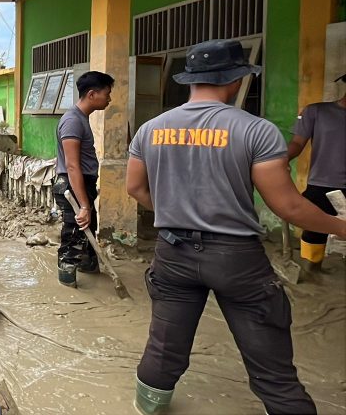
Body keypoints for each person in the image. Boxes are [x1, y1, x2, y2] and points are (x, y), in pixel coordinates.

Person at [126, 39, 346, 415]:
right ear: (235, 79)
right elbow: (289, 206)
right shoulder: (256, 131)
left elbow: (135, 188)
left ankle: (147, 408)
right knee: (270, 362)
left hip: (171, 253)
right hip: (236, 259)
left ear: (191, 79)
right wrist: (341, 227)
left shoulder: (152, 129)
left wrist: (176, 214)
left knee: (164, 348)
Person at [51, 71, 114, 287]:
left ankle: (89, 269)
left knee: (87, 237)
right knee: (73, 240)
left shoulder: (80, 119)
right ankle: (67, 287)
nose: (109, 99)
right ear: (92, 94)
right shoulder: (72, 121)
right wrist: (84, 205)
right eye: (107, 94)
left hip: (81, 185)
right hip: (72, 186)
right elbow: (72, 165)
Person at [286, 73, 346, 273]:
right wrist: (278, 162)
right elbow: (296, 143)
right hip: (322, 184)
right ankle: (312, 274)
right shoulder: (317, 112)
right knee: (314, 233)